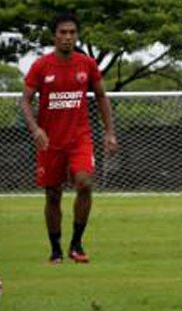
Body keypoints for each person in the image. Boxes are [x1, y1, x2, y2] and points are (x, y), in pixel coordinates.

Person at [21, 14, 118, 264]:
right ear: (55, 35)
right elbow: (24, 100)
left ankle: (76, 244)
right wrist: (35, 129)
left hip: (79, 138)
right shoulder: (41, 66)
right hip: (50, 142)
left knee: (85, 183)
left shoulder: (87, 64)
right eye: (63, 32)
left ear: (77, 35)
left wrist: (109, 132)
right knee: (53, 195)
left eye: (72, 32)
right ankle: (55, 249)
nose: (67, 37)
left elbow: (101, 97)